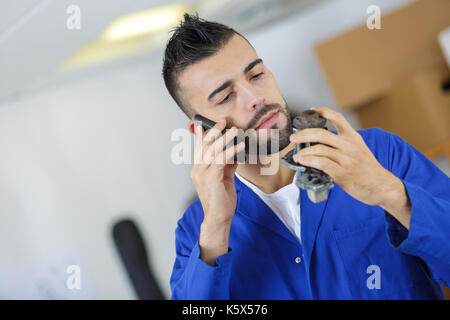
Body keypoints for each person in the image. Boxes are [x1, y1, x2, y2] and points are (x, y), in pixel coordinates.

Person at [162, 13, 450, 299]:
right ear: (201, 130)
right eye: (226, 96)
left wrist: (388, 192)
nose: (255, 97)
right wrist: (217, 227)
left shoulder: (377, 153)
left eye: (256, 75)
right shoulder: (198, 229)